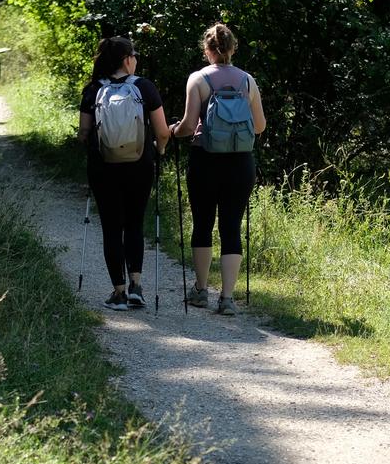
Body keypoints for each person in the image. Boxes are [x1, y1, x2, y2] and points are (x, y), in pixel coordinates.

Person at [168, 23, 266, 316]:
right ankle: (227, 298)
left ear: (207, 50)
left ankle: (200, 290)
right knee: (231, 227)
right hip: (240, 162)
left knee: (202, 223)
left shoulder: (198, 79)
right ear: (233, 48)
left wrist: (171, 131)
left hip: (205, 161)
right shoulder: (248, 81)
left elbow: (187, 126)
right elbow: (259, 126)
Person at [78, 37, 170, 310]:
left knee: (110, 226)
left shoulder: (93, 90)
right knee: (134, 223)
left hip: (103, 167)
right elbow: (163, 131)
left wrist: (88, 143)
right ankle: (136, 287)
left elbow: (83, 133)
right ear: (127, 59)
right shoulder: (144, 87)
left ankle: (118, 292)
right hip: (139, 165)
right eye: (134, 55)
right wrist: (160, 148)